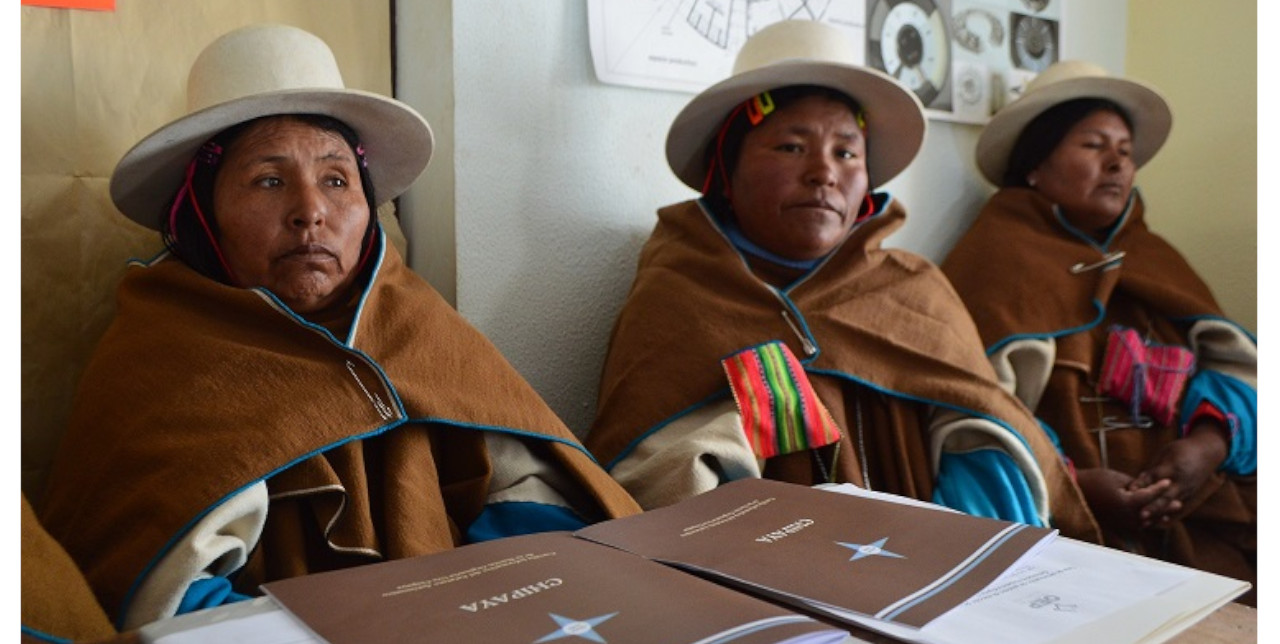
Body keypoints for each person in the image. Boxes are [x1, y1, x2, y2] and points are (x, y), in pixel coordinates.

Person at [36, 24, 640, 631]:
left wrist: (500, 596)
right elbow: (158, 587)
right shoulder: (158, 350)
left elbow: (532, 494)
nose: (311, 212)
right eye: (269, 181)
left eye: (336, 180)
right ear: (202, 210)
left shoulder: (413, 318)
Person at [585, 20, 1099, 544]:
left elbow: (981, 432)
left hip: (942, 563)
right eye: (790, 146)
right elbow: (658, 479)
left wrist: (948, 548)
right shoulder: (679, 295)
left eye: (847, 152)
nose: (823, 172)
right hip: (771, 583)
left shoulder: (910, 286)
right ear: (726, 173)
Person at [940, 60, 1256, 602]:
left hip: (1195, 519)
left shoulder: (1155, 257)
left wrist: (1205, 446)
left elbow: (1238, 367)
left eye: (1125, 151)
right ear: (1035, 165)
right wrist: (1076, 484)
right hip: (1063, 529)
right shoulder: (990, 263)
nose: (1116, 163)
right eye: (1093, 145)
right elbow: (976, 408)